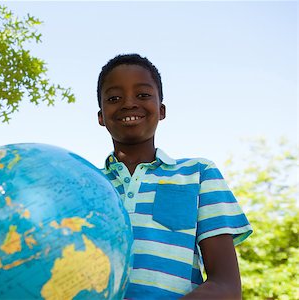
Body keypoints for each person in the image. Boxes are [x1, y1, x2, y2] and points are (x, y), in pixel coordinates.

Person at [97, 53, 252, 299]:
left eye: (143, 95)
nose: (129, 103)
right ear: (101, 116)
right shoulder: (82, 186)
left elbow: (226, 286)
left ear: (161, 110)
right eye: (114, 98)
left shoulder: (199, 174)